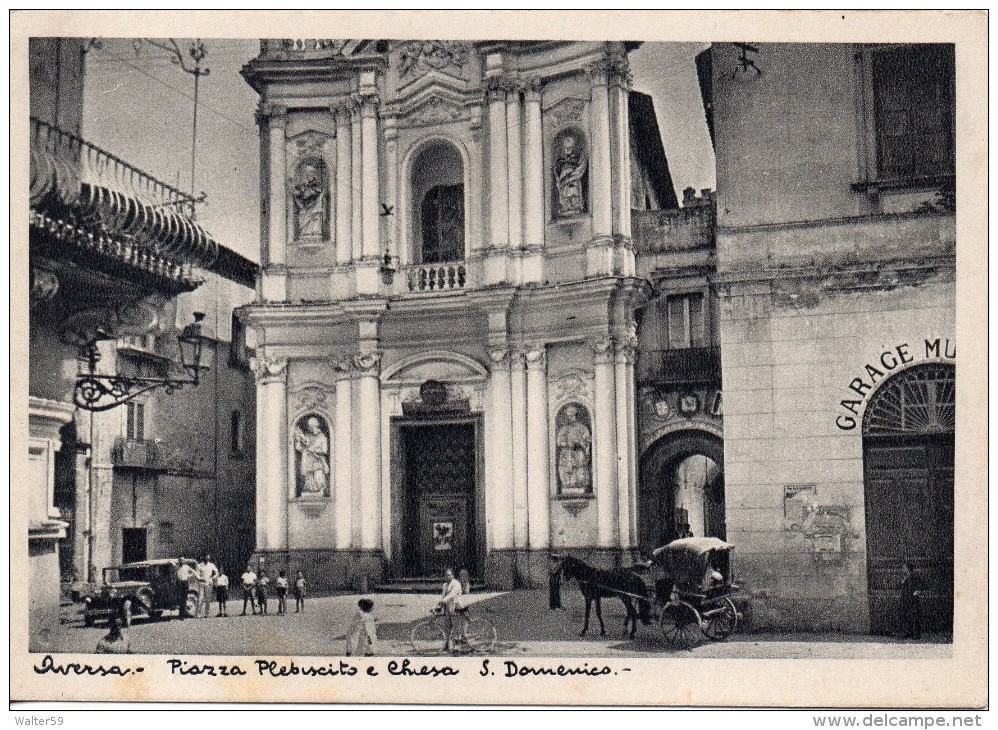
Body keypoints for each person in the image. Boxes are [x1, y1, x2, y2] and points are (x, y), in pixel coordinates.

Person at [294, 416, 330, 496]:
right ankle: (310, 491)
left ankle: (320, 491)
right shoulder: (307, 435)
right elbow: (300, 448)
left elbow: (324, 451)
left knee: (319, 478)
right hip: (308, 461)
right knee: (309, 480)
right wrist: (299, 442)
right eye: (309, 426)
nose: (309, 428)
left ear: (315, 426)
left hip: (318, 461)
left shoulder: (322, 437)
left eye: (311, 426)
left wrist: (313, 450)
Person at [437, 568, 465, 653]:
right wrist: (439, 604)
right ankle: (447, 644)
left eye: (449, 575)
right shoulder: (445, 585)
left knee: (455, 626)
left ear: (453, 575)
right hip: (447, 607)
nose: (447, 576)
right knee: (447, 626)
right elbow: (443, 596)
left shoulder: (456, 583)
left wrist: (444, 600)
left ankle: (456, 646)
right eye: (446, 575)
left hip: (456, 606)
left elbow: (452, 594)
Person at [899, 562, 924, 639]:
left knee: (915, 617)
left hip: (913, 599)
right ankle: (908, 632)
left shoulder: (915, 576)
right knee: (907, 616)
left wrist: (918, 591)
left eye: (904, 568)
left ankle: (917, 634)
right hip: (905, 599)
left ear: (908, 569)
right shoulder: (905, 577)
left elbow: (923, 585)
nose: (903, 570)